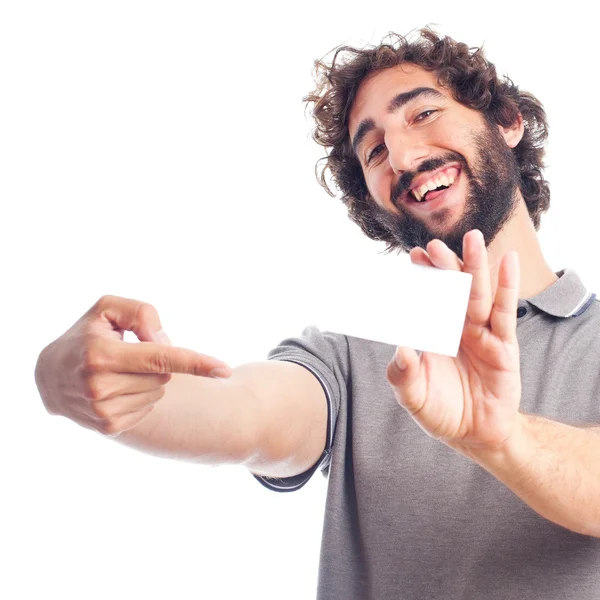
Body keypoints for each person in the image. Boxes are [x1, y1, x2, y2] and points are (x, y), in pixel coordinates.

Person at [34, 28, 600, 599]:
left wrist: (503, 439)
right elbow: (250, 412)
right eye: (374, 150)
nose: (401, 156)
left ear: (505, 119)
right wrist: (96, 386)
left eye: (424, 113)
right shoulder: (361, 353)